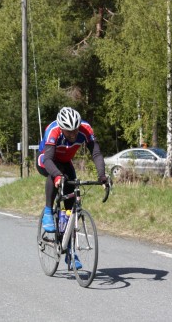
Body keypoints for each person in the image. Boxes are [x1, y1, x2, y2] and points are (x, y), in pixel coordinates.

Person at [36, 107, 107, 268]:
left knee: (72, 201)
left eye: (75, 130)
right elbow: (48, 160)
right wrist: (57, 176)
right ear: (61, 128)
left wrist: (102, 176)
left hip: (66, 163)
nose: (73, 134)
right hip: (47, 160)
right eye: (68, 132)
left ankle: (69, 251)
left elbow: (96, 154)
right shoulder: (53, 130)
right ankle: (48, 210)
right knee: (57, 174)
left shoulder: (86, 129)